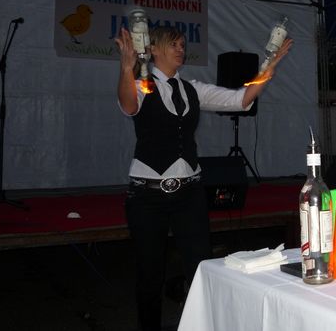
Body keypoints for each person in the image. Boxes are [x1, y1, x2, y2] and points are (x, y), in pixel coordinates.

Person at [115, 25, 292, 331]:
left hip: (189, 192)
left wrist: (268, 68)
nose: (181, 49)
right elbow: (129, 105)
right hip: (147, 195)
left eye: (183, 45)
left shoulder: (192, 89)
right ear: (154, 49)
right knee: (149, 274)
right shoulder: (142, 84)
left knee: (201, 267)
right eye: (174, 44)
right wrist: (125, 68)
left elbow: (241, 99)